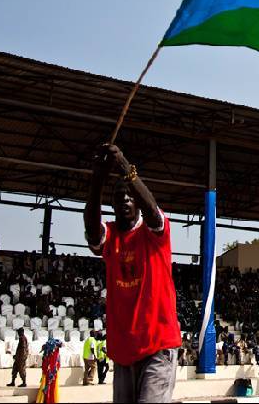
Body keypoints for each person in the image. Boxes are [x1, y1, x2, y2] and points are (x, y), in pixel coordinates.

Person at [84, 143, 180, 403]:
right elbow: (92, 230)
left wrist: (125, 166)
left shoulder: (154, 233)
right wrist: (98, 179)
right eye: (118, 198)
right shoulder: (111, 235)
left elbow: (152, 210)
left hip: (158, 346)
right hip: (124, 353)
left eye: (129, 196)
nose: (125, 200)